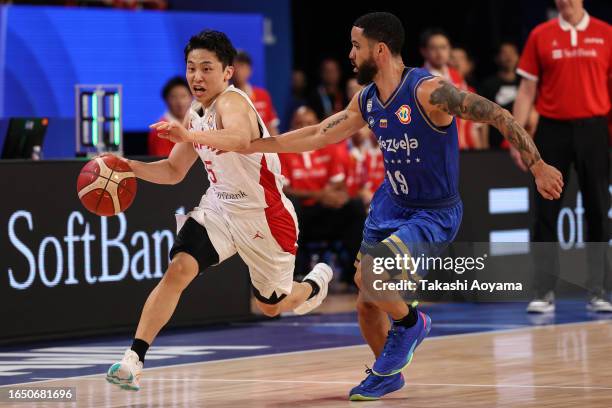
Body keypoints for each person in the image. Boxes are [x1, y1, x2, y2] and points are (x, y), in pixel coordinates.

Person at [244, 12, 563, 401]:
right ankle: (387, 372)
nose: (349, 54)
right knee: (366, 305)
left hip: (433, 212)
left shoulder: (429, 92)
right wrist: (259, 144)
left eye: (355, 46)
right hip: (389, 204)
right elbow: (318, 133)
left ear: (379, 50)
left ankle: (412, 322)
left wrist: (538, 164)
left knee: (371, 276)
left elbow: (497, 114)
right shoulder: (367, 99)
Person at [104, 30, 333, 391]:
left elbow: (240, 139)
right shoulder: (196, 113)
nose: (197, 77)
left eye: (206, 68)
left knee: (270, 306)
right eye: (191, 68)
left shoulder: (232, 102)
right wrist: (129, 166)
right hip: (221, 208)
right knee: (178, 269)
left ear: (227, 72)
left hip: (266, 217)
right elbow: (174, 171)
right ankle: (133, 359)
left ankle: (311, 285)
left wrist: (189, 136)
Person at [513, 0, 612, 313]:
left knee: (598, 208)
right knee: (545, 210)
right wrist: (520, 141)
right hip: (552, 130)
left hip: (595, 129)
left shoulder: (606, 33)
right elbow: (527, 91)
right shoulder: (541, 34)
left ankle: (598, 290)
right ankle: (543, 291)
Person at [280, 106, 366, 285]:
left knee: (355, 206)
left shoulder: (327, 146)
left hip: (325, 211)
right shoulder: (283, 152)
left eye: (309, 124)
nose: (304, 128)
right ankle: (296, 274)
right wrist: (320, 194)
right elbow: (285, 189)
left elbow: (338, 181)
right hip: (301, 213)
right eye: (299, 124)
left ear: (317, 125)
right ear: (291, 128)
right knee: (291, 205)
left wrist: (332, 196)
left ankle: (356, 273)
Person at [420, 28, 479, 149]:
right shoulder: (419, 78)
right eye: (433, 48)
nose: (439, 53)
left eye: (443, 47)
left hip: (464, 148)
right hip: (433, 147)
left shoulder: (457, 76)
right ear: (424, 51)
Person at [480, 42, 522, 149]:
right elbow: (483, 118)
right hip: (496, 146)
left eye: (512, 53)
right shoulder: (488, 85)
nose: (509, 57)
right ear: (497, 58)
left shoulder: (524, 84)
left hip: (522, 145)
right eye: (505, 53)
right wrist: (484, 147)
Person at [232, 50, 280, 135]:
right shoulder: (224, 98)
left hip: (264, 147)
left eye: (242, 66)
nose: (238, 71)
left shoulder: (263, 95)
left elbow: (271, 127)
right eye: (235, 66)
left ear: (249, 70)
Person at [147, 76, 192, 157]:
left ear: (191, 98)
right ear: (166, 100)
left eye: (183, 96)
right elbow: (164, 162)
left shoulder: (198, 125)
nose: (180, 102)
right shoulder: (160, 129)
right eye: (174, 97)